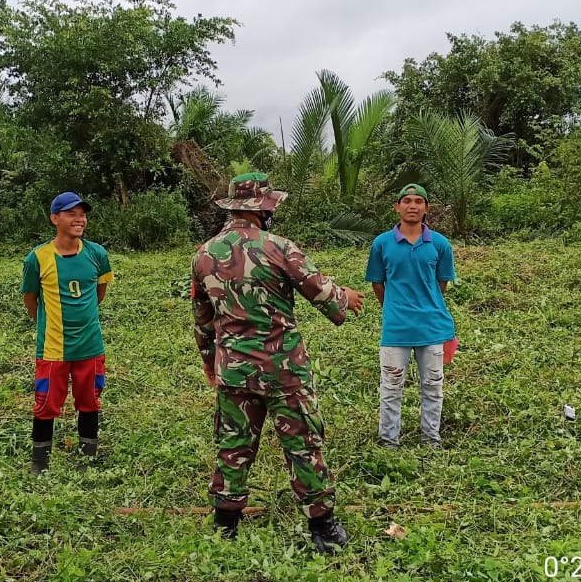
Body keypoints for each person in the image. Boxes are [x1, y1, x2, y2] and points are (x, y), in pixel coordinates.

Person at [191, 172, 364, 553]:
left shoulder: (204, 254)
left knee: (233, 445)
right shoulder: (281, 247)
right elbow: (322, 294)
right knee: (302, 444)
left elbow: (202, 318)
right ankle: (323, 530)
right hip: (283, 369)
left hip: (233, 369)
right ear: (264, 207)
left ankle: (226, 528)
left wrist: (209, 361)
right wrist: (345, 297)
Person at [20, 191, 114, 474]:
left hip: (90, 346)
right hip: (53, 348)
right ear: (54, 218)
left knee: (89, 402)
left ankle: (88, 460)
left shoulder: (98, 254)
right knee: (46, 402)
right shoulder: (37, 258)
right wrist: (48, 326)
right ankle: (40, 463)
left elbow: (99, 293)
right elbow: (30, 298)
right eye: (71, 213)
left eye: (82, 214)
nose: (79, 219)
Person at [364, 183, 457, 448]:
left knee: (433, 386)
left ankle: (431, 440)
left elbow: (441, 284)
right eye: (406, 201)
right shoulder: (382, 244)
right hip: (396, 328)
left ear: (426, 208)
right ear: (397, 207)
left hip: (432, 327)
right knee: (391, 387)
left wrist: (425, 304)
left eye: (418, 201)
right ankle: (388, 442)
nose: (412, 205)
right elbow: (378, 283)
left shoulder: (439, 244)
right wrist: (395, 308)